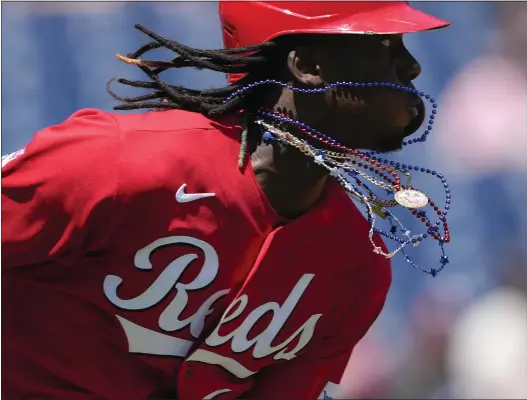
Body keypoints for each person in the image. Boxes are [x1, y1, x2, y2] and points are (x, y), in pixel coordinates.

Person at [1, 2, 451, 399]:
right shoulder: (123, 163)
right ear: (307, 65)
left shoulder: (357, 266)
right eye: (386, 45)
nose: (412, 67)